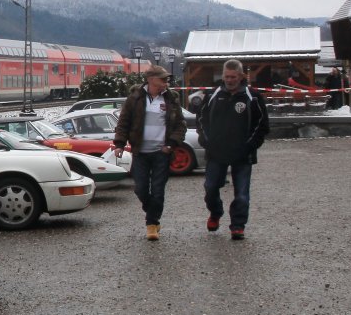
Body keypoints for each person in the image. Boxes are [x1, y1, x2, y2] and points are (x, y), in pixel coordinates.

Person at [111, 65, 186, 241]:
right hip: (140, 153)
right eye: (162, 79)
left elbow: (180, 125)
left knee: (158, 191)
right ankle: (152, 212)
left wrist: (171, 144)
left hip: (162, 153)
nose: (166, 82)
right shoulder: (135, 98)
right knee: (140, 189)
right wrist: (119, 144)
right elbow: (124, 122)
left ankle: (152, 223)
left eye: (167, 79)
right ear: (151, 79)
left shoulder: (171, 98)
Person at [199, 59, 270, 240]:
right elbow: (201, 119)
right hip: (216, 152)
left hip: (243, 154)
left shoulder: (253, 97)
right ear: (223, 76)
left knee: (242, 194)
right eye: (227, 76)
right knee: (210, 188)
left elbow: (262, 125)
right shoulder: (213, 95)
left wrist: (250, 146)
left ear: (241, 76)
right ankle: (216, 212)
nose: (229, 80)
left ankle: (238, 226)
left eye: (233, 77)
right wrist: (206, 141)